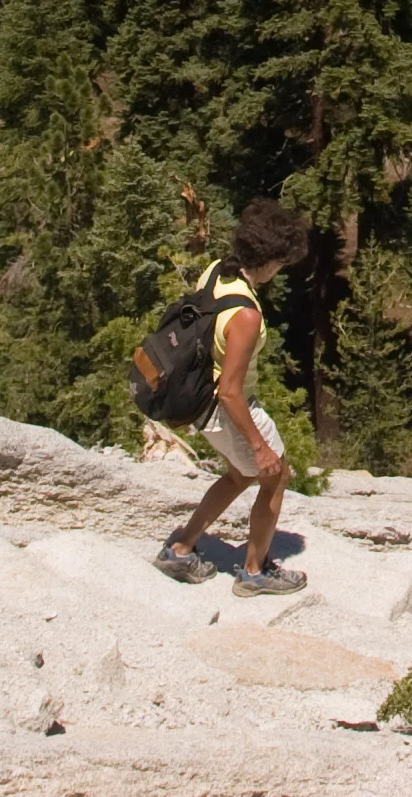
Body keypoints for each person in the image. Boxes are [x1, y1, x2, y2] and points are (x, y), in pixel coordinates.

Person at [152, 199, 312, 596]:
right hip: (227, 407)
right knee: (274, 478)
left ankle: (181, 548)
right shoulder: (246, 315)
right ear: (270, 259)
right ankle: (254, 573)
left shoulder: (216, 272)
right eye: (281, 262)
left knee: (239, 475)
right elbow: (231, 391)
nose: (281, 270)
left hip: (199, 402)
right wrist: (259, 446)